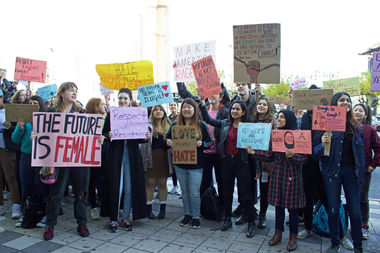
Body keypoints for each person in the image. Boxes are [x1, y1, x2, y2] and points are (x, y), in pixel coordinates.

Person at [249, 110, 307, 251]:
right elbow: (269, 156)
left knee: (293, 210)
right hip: (278, 175)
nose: (279, 119)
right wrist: (254, 153)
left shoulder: (299, 136)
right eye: (278, 116)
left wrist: (291, 156)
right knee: (279, 207)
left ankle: (293, 237)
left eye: (282, 117)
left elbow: (304, 159)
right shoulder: (275, 135)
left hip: (292, 177)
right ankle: (278, 233)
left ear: (289, 119)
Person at [199, 98, 257, 238]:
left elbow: (258, 147)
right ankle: (226, 219)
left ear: (243, 112)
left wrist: (257, 168)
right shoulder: (225, 123)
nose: (234, 111)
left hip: (242, 162)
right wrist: (202, 106)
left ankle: (251, 222)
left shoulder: (249, 127)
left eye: (237, 109)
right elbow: (208, 120)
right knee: (227, 192)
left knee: (245, 194)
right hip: (226, 161)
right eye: (233, 109)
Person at [315, 92, 365, 253]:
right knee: (333, 209)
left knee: (355, 211)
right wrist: (322, 144)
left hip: (352, 173)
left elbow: (363, 151)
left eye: (348, 100)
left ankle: (358, 245)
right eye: (342, 100)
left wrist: (365, 168)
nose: (346, 102)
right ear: (334, 104)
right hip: (331, 172)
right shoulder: (323, 123)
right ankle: (335, 242)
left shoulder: (356, 125)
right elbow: (315, 152)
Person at [43, 82, 91, 240]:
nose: (74, 93)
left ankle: (82, 223)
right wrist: (36, 136)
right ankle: (50, 224)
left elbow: (89, 135)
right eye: (71, 90)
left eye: (76, 91)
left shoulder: (82, 113)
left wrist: (99, 139)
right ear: (62, 93)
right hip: (59, 158)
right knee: (56, 193)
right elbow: (45, 133)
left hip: (78, 159)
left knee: (81, 192)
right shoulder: (51, 112)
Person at [101, 88, 148, 233]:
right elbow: (103, 135)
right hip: (116, 155)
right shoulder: (111, 115)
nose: (122, 101)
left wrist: (145, 137)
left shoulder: (137, 114)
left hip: (132, 156)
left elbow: (141, 137)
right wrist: (108, 135)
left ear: (130, 101)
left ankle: (126, 217)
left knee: (129, 188)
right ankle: (113, 218)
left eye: (125, 99)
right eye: (120, 98)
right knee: (117, 186)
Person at [165, 98, 213, 229]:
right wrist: (168, 141)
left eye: (189, 107)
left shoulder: (201, 125)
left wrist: (201, 143)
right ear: (181, 109)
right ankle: (187, 214)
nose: (186, 109)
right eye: (184, 107)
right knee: (185, 192)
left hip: (196, 165)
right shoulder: (174, 124)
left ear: (194, 109)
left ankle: (196, 216)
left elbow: (210, 142)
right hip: (179, 163)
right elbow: (167, 137)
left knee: (194, 192)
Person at [11, 95, 50, 227]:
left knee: (43, 186)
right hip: (26, 157)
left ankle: (45, 215)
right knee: (26, 185)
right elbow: (15, 140)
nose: (33, 105)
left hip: (42, 158)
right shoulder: (25, 121)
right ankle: (25, 214)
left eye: (35, 103)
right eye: (30, 103)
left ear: (41, 105)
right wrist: (20, 128)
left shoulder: (46, 120)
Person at [353, 103, 380, 240]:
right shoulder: (347, 128)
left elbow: (378, 148)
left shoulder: (370, 130)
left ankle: (364, 226)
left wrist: (373, 164)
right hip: (349, 169)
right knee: (351, 198)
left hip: (364, 169)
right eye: (355, 110)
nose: (357, 112)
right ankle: (352, 225)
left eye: (360, 110)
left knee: (363, 198)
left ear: (365, 114)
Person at [141, 105, 171, 219]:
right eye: (155, 110)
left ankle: (163, 209)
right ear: (152, 113)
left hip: (164, 157)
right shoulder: (146, 125)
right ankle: (148, 209)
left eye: (161, 110)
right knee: (149, 183)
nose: (158, 112)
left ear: (164, 112)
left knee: (162, 184)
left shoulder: (170, 126)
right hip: (150, 157)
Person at [250, 96, 276, 229]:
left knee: (264, 189)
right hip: (252, 160)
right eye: (259, 104)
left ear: (269, 107)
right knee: (251, 188)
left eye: (264, 104)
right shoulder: (251, 121)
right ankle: (249, 212)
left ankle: (263, 214)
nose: (261, 106)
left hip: (266, 163)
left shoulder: (273, 122)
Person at [0, 89, 21, 219]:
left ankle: (16, 204)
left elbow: (18, 129)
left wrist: (10, 127)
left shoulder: (9, 110)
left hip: (6, 148)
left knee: (10, 176)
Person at [85, 98, 107, 220]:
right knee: (92, 181)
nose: (105, 106)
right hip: (90, 154)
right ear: (96, 107)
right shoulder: (87, 119)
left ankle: (103, 204)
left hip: (103, 154)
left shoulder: (107, 118)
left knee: (102, 180)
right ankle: (93, 206)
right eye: (102, 104)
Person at [168, 101, 180, 194]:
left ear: (177, 106)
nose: (172, 106)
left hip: (181, 145)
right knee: (173, 167)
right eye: (171, 105)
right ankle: (175, 185)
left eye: (174, 105)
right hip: (171, 146)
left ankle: (181, 187)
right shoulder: (168, 119)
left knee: (180, 166)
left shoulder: (180, 117)